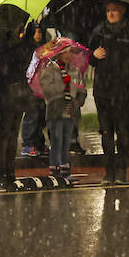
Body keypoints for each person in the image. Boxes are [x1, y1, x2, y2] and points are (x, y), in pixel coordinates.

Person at [89, 1, 129, 184]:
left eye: (114, 10)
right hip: (103, 90)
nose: (111, 14)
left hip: (124, 91)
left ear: (122, 11)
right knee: (106, 132)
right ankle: (109, 171)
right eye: (108, 11)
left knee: (123, 133)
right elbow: (89, 57)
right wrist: (93, 56)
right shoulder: (99, 31)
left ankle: (121, 170)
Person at [0, 6, 32, 192]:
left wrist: (26, 41)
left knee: (11, 134)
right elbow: (7, 61)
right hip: (4, 94)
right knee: (5, 134)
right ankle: (3, 172)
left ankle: (9, 172)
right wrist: (24, 42)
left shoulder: (11, 38)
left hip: (12, 93)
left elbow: (23, 61)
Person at [37, 38, 87, 179]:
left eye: (71, 52)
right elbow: (47, 89)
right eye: (66, 52)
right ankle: (54, 169)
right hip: (55, 109)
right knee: (56, 140)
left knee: (67, 141)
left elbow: (82, 89)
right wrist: (63, 86)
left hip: (70, 109)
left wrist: (77, 101)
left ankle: (65, 170)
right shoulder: (50, 69)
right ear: (59, 53)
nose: (69, 55)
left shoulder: (75, 71)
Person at [20, 23, 49, 158]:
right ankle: (28, 143)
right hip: (30, 87)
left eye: (40, 32)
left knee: (40, 115)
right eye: (35, 32)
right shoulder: (26, 49)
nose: (38, 35)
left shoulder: (44, 49)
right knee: (32, 115)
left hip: (41, 87)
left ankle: (38, 142)